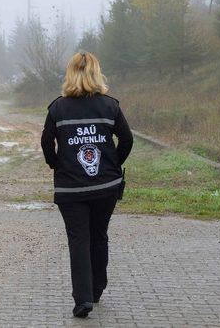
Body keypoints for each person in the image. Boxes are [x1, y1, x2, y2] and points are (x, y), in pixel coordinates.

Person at [41, 52, 133, 318]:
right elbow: (127, 140)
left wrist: (57, 165)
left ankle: (83, 300)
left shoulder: (57, 108)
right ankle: (96, 289)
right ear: (96, 73)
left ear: (70, 73)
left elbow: (47, 144)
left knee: (79, 239)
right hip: (105, 186)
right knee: (99, 234)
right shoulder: (109, 106)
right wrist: (112, 164)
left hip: (70, 188)